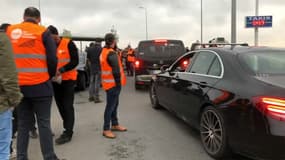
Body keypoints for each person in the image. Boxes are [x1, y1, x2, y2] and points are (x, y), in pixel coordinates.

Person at [6, 7, 60, 160]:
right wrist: (49, 75)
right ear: (39, 19)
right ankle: (49, 157)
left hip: (19, 87)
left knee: (23, 124)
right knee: (44, 123)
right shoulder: (43, 32)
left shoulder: (10, 31)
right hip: (40, 86)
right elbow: (52, 58)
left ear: (23, 16)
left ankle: (22, 157)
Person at [48, 25, 79, 145]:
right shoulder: (49, 46)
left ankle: (68, 132)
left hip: (68, 80)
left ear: (57, 35)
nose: (52, 40)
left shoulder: (68, 43)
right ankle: (67, 126)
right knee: (60, 106)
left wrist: (62, 70)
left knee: (67, 106)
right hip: (55, 81)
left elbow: (75, 61)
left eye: (53, 38)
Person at [0, 24, 22, 160]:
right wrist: (15, 100)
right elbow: (8, 76)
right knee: (2, 149)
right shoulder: (3, 40)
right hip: (1, 103)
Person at [100, 33, 127, 139]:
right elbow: (116, 70)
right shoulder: (111, 53)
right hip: (113, 84)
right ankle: (106, 129)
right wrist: (118, 83)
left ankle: (115, 124)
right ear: (113, 41)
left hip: (108, 84)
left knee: (114, 105)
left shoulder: (103, 51)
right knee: (110, 106)